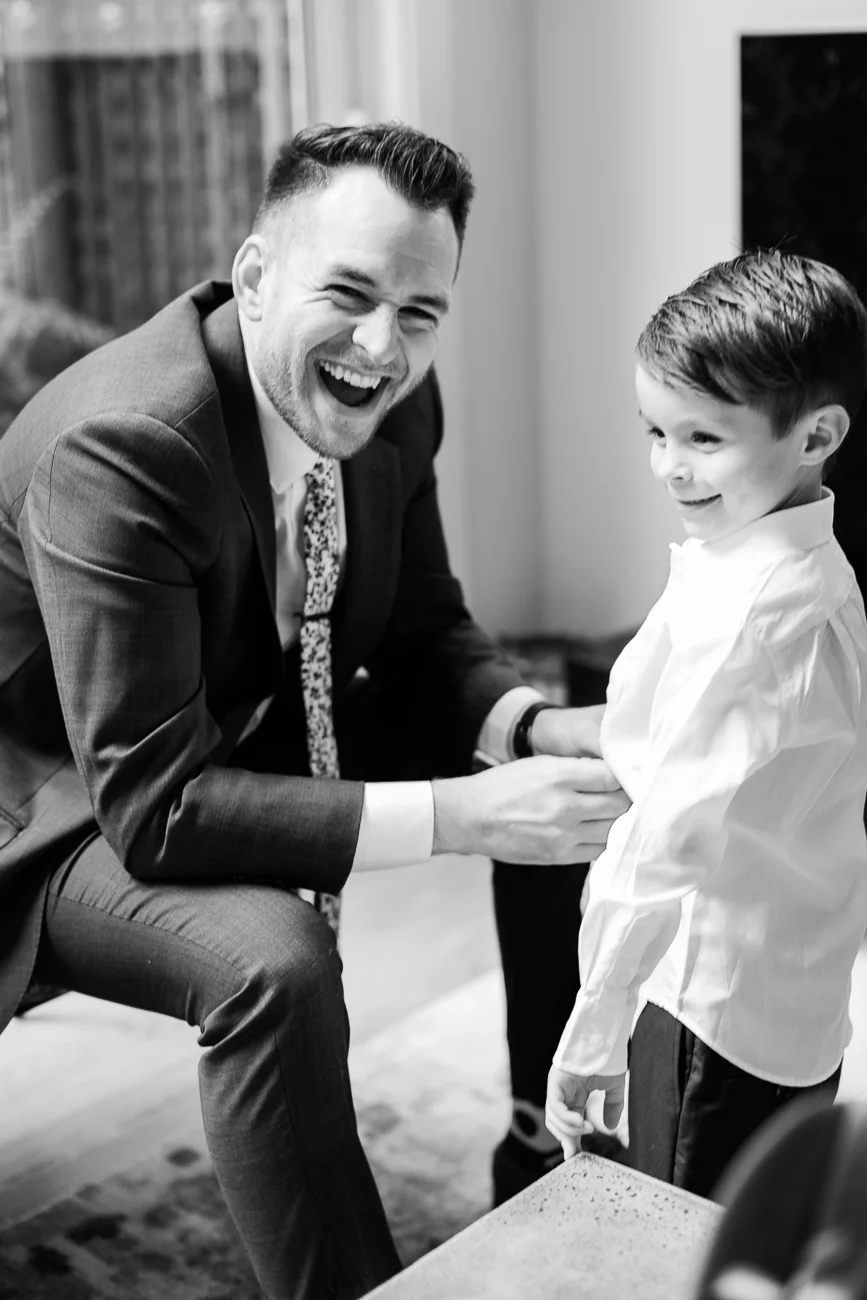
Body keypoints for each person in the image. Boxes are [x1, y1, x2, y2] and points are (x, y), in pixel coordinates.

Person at [0, 122, 628, 1300]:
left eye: (420, 311)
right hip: (54, 804)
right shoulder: (128, 443)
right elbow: (157, 808)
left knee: (569, 800)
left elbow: (424, 631)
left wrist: (536, 733)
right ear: (251, 274)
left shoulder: (393, 409)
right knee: (271, 963)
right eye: (348, 293)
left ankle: (540, 1143)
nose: (380, 347)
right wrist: (461, 813)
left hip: (230, 718)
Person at [545, 250, 867, 1200]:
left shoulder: (751, 618)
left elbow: (663, 850)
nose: (668, 467)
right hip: (793, 996)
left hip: (702, 1000)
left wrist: (593, 1033)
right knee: (760, 1213)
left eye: (703, 440)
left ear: (816, 434)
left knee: (675, 1224)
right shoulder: (812, 571)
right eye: (655, 430)